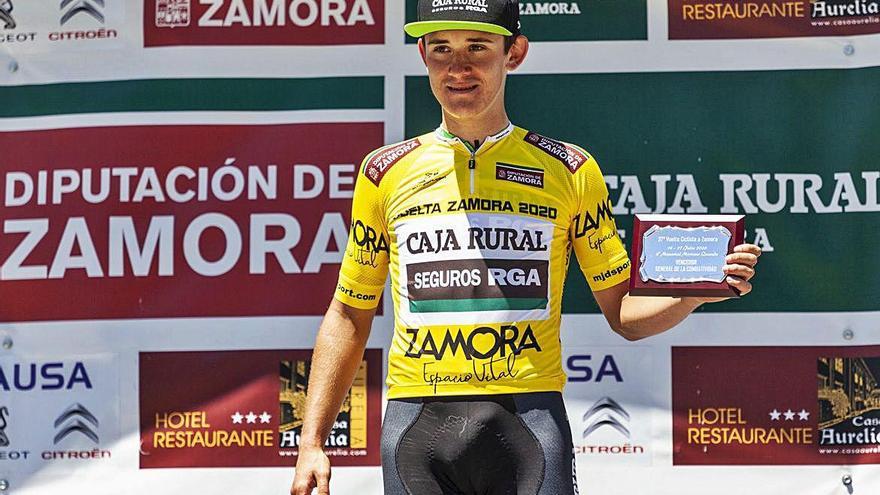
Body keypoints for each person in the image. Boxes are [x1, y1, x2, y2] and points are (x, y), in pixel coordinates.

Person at [290, 1, 761, 494]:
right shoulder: (384, 172)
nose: (459, 68)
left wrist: (694, 292)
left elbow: (623, 312)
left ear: (514, 52)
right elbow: (349, 313)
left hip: (528, 424)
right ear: (423, 55)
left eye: (478, 48)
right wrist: (312, 443)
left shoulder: (569, 170)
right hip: (416, 426)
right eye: (441, 49)